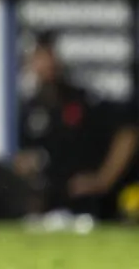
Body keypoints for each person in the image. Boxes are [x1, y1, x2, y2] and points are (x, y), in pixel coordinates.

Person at [15, 32, 139, 221]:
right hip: (48, 204)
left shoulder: (85, 101)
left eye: (49, 57)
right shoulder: (30, 108)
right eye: (38, 58)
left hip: (88, 203)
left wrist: (103, 179)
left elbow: (127, 134)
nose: (45, 65)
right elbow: (24, 157)